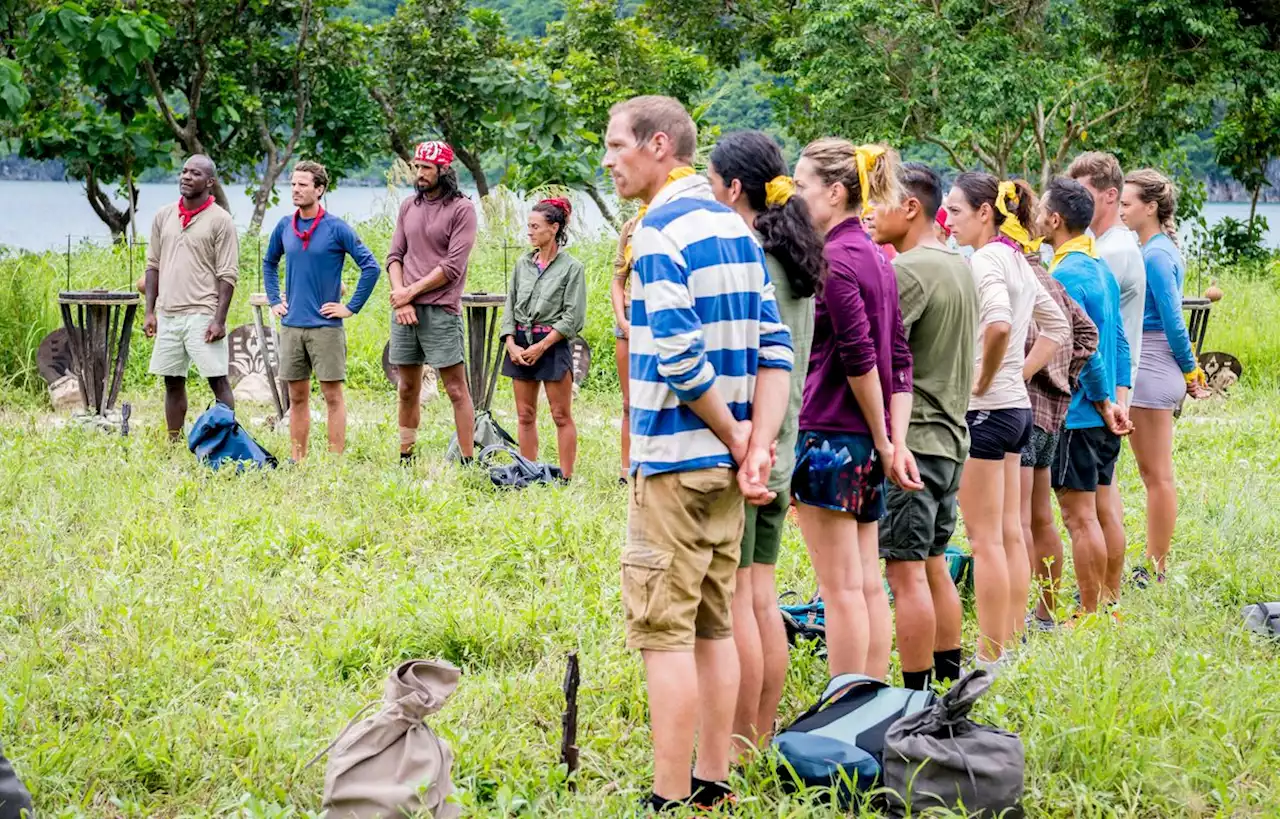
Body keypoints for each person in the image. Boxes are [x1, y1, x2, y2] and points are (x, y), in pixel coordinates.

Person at [603, 96, 793, 811]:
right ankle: (714, 782)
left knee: (665, 636)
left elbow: (681, 361)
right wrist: (756, 444)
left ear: (659, 145)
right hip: (728, 470)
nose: (609, 159)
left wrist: (742, 438)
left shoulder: (657, 231)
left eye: (617, 145)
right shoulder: (739, 231)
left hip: (678, 464)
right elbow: (777, 350)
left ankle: (668, 794)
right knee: (715, 626)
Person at [706, 130, 820, 752]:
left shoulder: (749, 253)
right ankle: (760, 731)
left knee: (737, 601)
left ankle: (737, 741)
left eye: (710, 180)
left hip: (752, 446)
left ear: (733, 188)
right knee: (763, 594)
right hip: (786, 442)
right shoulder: (794, 253)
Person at [792, 138, 912, 683]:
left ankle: (844, 709)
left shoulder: (835, 260)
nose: (794, 197)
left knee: (839, 589)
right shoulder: (877, 258)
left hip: (831, 434)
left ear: (835, 192)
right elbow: (900, 359)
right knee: (864, 582)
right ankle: (873, 700)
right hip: (866, 440)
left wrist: (888, 441)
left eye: (801, 186)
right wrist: (892, 438)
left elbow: (861, 355)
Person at [943, 174, 1069, 665]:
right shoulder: (1015, 257)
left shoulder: (988, 261)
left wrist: (982, 379)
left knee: (985, 538)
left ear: (984, 212)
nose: (949, 220)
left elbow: (997, 325)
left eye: (956, 210)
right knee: (1010, 532)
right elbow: (1056, 326)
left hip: (988, 409)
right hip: (1015, 408)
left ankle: (991, 651)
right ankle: (1010, 640)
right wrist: (1015, 372)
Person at [869, 163, 975, 691]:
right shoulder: (958, 264)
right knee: (935, 564)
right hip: (952, 438)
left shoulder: (906, 271)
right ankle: (949, 687)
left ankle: (914, 699)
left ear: (911, 207)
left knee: (905, 573)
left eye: (879, 199)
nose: (869, 212)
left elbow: (880, 358)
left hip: (913, 443)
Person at [1034, 176, 1132, 615]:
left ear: (1055, 220)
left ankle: (1088, 612)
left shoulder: (1065, 274)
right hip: (1108, 410)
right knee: (1106, 509)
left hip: (1079, 413)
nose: (1034, 216)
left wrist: (1099, 399)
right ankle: (1109, 598)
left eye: (1040, 210)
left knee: (1078, 518)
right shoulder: (1100, 269)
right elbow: (1120, 341)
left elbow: (1083, 347)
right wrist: (1118, 398)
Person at [1016, 189, 1100, 631]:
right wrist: (1060, 379)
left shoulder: (1007, 275)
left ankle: (1013, 615)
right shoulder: (1051, 279)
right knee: (1040, 517)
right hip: (1050, 415)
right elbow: (1086, 335)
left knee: (1014, 524)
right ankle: (1044, 609)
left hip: (1017, 413)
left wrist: (1029, 373)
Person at [1120, 169, 1208, 585]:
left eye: (1128, 203)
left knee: (1157, 475)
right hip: (1153, 362)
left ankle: (1155, 566)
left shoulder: (1155, 254)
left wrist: (1192, 371)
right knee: (1152, 473)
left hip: (1155, 362)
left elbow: (1174, 322)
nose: (1122, 210)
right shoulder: (1155, 248)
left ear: (1150, 207)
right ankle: (1153, 562)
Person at [263, 160, 381, 461]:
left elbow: (371, 267)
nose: (296, 190)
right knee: (297, 397)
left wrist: (350, 307)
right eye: (293, 184)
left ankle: (334, 461)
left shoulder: (336, 228)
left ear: (320, 189)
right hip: (291, 326)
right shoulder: (283, 226)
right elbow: (269, 262)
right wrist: (275, 299)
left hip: (326, 327)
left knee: (332, 396)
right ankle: (297, 459)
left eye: (303, 184)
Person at [1067, 152, 1145, 602]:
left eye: (1086, 194)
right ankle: (1108, 597)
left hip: (1101, 396)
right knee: (1105, 502)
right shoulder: (1111, 248)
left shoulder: (1107, 253)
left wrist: (1108, 398)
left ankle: (1098, 598)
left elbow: (1090, 337)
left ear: (1110, 196)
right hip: (1117, 387)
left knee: (1094, 509)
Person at [386, 141, 479, 464]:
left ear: (444, 169)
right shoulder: (408, 207)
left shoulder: (462, 209)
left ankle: (468, 459)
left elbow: (452, 267)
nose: (420, 174)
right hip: (405, 311)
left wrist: (409, 293)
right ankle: (406, 456)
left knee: (455, 388)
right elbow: (394, 256)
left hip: (441, 309)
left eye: (426, 168)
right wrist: (401, 299)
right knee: (407, 387)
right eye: (417, 167)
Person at [143, 154, 238, 440]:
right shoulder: (164, 215)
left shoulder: (221, 221)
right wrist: (150, 312)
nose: (185, 177)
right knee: (172, 381)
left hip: (202, 313)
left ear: (210, 182)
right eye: (184, 171)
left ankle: (226, 440)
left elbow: (228, 275)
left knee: (217, 380)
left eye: (194, 173)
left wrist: (219, 321)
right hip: (168, 313)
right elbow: (153, 265)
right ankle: (173, 440)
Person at [499, 197, 586, 479]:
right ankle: (527, 472)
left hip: (551, 344)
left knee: (561, 415)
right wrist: (511, 343)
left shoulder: (572, 268)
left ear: (554, 228)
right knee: (525, 415)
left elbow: (573, 318)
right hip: (520, 344)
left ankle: (567, 477)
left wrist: (542, 345)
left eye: (535, 226)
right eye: (529, 226)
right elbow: (510, 306)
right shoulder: (522, 264)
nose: (530, 232)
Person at [611, 214, 641, 485]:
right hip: (631, 314)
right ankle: (626, 469)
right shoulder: (630, 226)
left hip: (661, 313)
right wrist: (622, 320)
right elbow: (618, 278)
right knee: (629, 402)